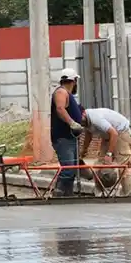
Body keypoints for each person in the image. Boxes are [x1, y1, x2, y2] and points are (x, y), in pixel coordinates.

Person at [79, 106, 131, 196]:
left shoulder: (95, 118)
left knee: (122, 165)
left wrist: (109, 154)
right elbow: (88, 135)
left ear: (83, 113)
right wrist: (84, 151)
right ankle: (99, 192)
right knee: (100, 163)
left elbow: (114, 133)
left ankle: (127, 194)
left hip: (121, 132)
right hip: (107, 136)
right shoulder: (86, 121)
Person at [51, 68, 84, 197]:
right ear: (73, 81)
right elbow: (60, 108)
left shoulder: (67, 94)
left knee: (73, 168)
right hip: (63, 137)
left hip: (70, 137)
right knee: (68, 168)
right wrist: (72, 123)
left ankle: (68, 194)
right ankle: (58, 192)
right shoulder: (61, 92)